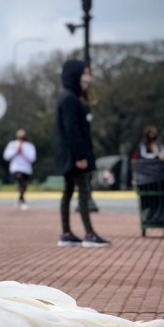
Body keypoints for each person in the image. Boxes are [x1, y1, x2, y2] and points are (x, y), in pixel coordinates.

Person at [54, 59, 109, 247]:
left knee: (69, 191)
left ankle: (66, 233)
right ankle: (89, 234)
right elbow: (72, 130)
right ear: (75, 74)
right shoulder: (69, 98)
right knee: (83, 192)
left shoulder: (70, 96)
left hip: (70, 155)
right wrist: (80, 157)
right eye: (85, 72)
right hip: (75, 156)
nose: (88, 76)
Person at [3, 129, 37, 209]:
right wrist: (16, 150)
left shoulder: (29, 146)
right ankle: (21, 199)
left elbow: (32, 158)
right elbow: (6, 157)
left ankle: (20, 198)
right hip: (16, 168)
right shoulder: (12, 145)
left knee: (24, 185)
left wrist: (23, 151)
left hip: (26, 169)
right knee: (20, 181)